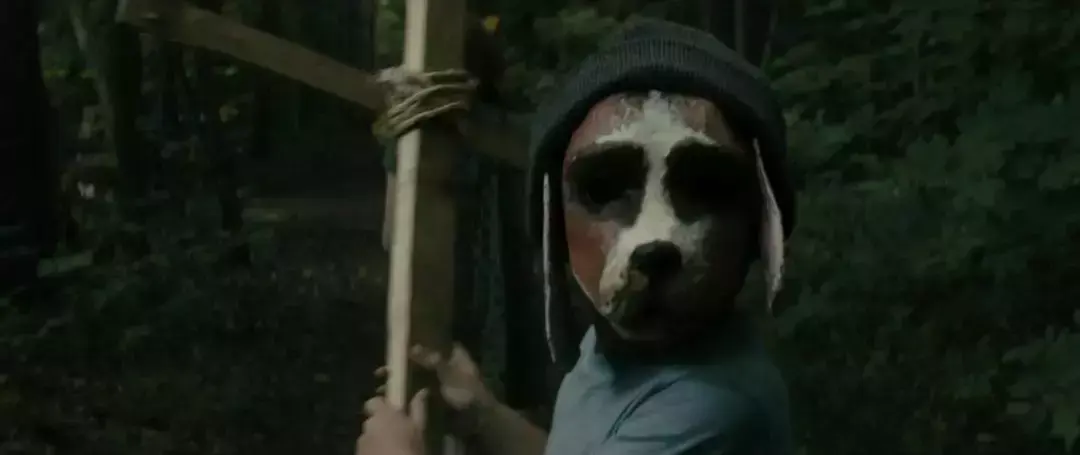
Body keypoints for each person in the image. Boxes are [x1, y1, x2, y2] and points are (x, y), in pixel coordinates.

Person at [358, 18, 796, 455]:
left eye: (705, 188)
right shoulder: (614, 349)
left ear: (761, 227)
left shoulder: (713, 407)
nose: (656, 237)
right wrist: (484, 416)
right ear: (553, 222)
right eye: (604, 188)